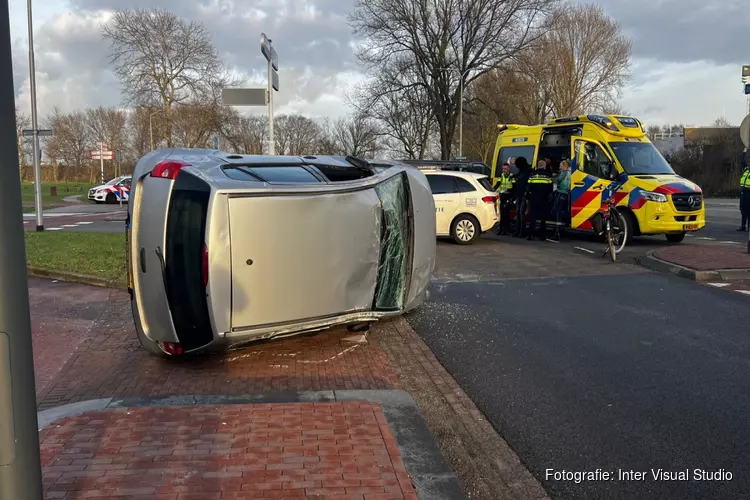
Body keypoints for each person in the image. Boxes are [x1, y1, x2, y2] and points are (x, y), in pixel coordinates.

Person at [526, 160, 554, 241]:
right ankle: (542, 236)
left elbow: (528, 187)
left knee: (533, 217)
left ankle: (530, 235)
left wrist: (528, 198)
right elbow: (550, 189)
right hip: (544, 200)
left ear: (538, 166)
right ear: (544, 166)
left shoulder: (532, 175)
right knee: (543, 219)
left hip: (533, 199)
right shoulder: (548, 175)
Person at [551, 159, 571, 241]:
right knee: (561, 211)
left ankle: (557, 231)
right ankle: (560, 229)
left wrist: (552, 178)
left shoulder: (564, 173)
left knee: (557, 211)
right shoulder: (569, 173)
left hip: (561, 192)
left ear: (564, 166)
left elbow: (558, 180)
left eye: (560, 165)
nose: (559, 167)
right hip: (566, 193)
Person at [493, 162, 515, 235]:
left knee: (506, 213)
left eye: (505, 169)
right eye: (503, 169)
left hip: (509, 196)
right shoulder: (501, 175)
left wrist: (507, 191)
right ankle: (501, 229)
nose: (504, 170)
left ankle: (506, 229)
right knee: (502, 213)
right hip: (503, 196)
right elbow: (498, 184)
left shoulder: (512, 176)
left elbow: (514, 187)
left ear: (509, 169)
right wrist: (492, 189)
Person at [513, 157, 531, 238]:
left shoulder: (528, 171)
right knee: (518, 213)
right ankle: (517, 231)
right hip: (519, 195)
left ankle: (521, 232)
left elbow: (528, 184)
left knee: (521, 213)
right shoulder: (521, 171)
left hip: (524, 195)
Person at [739, 148, 750, 231]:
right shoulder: (746, 169)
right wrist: (745, 151)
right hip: (743, 192)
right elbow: (743, 161)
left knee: (749, 211)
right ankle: (743, 226)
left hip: (749, 193)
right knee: (743, 209)